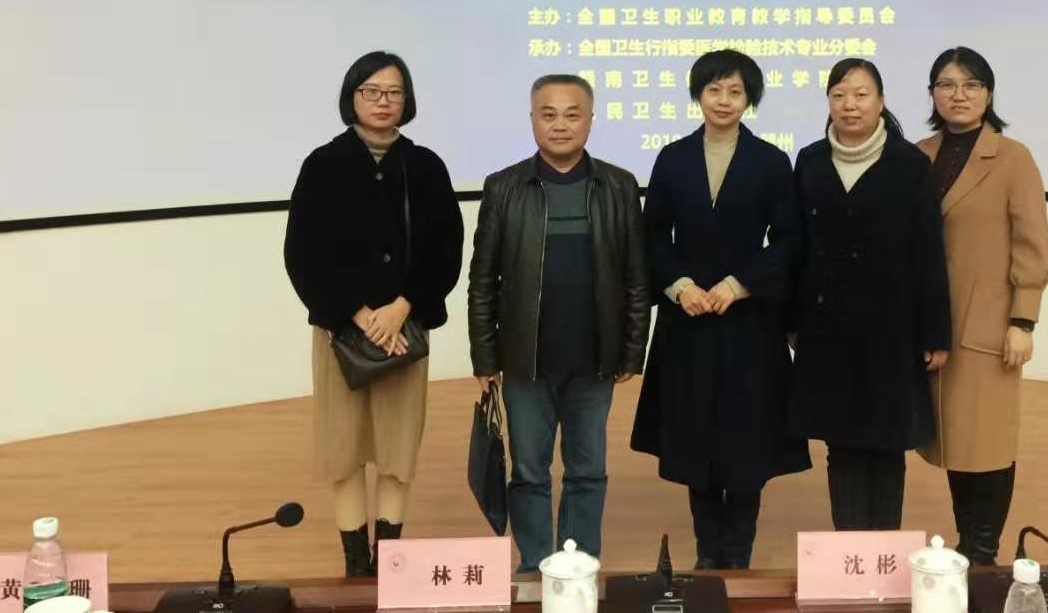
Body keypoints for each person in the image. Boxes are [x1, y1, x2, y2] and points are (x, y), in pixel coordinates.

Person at [283, 51, 464, 576]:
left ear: (407, 100)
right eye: (372, 91)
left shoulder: (425, 166)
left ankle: (390, 563)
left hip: (406, 332)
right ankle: (355, 566)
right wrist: (359, 315)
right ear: (352, 97)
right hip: (342, 332)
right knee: (343, 449)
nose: (383, 102)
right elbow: (303, 253)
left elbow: (446, 248)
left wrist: (404, 306)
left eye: (394, 92)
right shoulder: (323, 164)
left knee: (396, 451)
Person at [631, 49, 810, 570]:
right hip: (688, 322)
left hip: (750, 323)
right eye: (714, 90)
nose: (724, 100)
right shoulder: (673, 158)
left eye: (735, 91)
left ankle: (738, 556)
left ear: (749, 98)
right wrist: (679, 285)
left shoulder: (770, 161)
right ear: (698, 95)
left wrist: (740, 284)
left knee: (747, 443)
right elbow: (651, 236)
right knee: (696, 441)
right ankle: (708, 556)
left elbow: (789, 239)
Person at [468, 74, 650, 574]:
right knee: (529, 471)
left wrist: (632, 350)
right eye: (548, 114)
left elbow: (637, 277)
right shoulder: (504, 187)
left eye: (572, 114)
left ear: (590, 120)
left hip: (595, 358)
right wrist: (484, 356)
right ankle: (533, 566)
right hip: (525, 360)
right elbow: (482, 280)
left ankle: (578, 566)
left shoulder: (618, 185)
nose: (560, 125)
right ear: (532, 121)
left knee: (587, 470)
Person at [790, 59, 951, 531]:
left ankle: (882, 548)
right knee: (840, 443)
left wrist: (935, 332)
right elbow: (797, 247)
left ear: (881, 101)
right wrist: (793, 321)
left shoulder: (909, 165)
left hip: (892, 328)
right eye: (839, 95)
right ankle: (849, 550)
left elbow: (929, 252)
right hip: (828, 328)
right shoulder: (811, 160)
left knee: (886, 441)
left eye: (861, 94)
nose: (850, 105)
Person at [916, 46, 1048, 565]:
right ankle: (966, 542)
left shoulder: (1013, 158)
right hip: (935, 323)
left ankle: (984, 550)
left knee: (989, 442)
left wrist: (1023, 319)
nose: (959, 94)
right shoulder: (919, 155)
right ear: (932, 93)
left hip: (991, 325)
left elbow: (1033, 244)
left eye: (971, 84)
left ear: (989, 93)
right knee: (956, 439)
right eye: (947, 84)